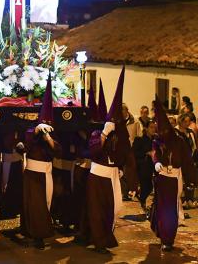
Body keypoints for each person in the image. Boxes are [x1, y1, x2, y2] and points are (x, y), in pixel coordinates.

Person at [78, 66, 132, 254]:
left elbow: (126, 154)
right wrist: (104, 133)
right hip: (97, 177)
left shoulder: (122, 137)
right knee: (96, 209)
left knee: (111, 208)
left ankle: (104, 237)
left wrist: (125, 171)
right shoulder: (96, 133)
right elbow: (94, 150)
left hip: (112, 176)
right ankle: (99, 241)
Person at [150, 97, 196, 251]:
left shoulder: (180, 142)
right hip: (162, 177)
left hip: (175, 178)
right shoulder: (157, 141)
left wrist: (191, 180)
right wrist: (156, 162)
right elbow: (155, 152)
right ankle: (164, 236)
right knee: (162, 208)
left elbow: (187, 161)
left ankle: (169, 238)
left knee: (172, 209)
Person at [21, 74, 61, 250]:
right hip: (33, 175)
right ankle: (38, 236)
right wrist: (38, 131)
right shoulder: (32, 131)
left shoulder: (52, 135)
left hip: (47, 173)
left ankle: (36, 230)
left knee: (46, 203)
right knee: (35, 205)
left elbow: (58, 150)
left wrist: (49, 138)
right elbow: (28, 141)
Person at [133, 120, 157, 213]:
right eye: (151, 127)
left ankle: (143, 200)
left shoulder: (156, 140)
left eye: (154, 127)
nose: (153, 129)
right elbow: (134, 153)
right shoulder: (139, 139)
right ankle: (143, 201)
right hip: (143, 166)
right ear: (146, 129)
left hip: (153, 166)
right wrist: (146, 153)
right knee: (147, 186)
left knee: (150, 186)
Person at [176, 113, 198, 209]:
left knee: (190, 179)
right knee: (181, 179)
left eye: (189, 121)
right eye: (185, 121)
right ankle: (182, 199)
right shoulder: (175, 131)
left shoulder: (190, 132)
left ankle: (189, 199)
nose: (188, 123)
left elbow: (194, 145)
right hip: (179, 159)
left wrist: (194, 157)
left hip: (189, 158)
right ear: (181, 121)